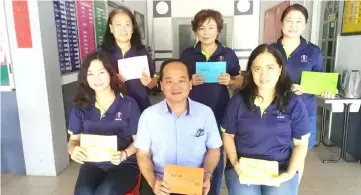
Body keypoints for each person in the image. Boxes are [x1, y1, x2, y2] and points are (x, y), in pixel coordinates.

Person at [222, 44, 310, 195]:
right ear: (250, 72)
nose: (264, 75)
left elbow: (300, 144)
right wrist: (235, 163)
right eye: (257, 69)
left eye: (270, 68)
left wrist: (288, 174)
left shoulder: (293, 102)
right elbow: (228, 135)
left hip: (280, 166)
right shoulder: (238, 100)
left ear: (280, 69)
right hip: (244, 164)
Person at [134, 59, 222, 195]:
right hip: (160, 183)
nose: (176, 87)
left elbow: (214, 149)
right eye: (169, 81)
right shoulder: (148, 115)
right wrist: (152, 182)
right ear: (161, 85)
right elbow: (142, 154)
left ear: (190, 84)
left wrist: (207, 174)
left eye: (182, 80)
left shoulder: (205, 113)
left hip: (195, 182)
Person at [179, 9, 243, 195]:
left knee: (216, 153)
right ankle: (189, 188)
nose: (206, 32)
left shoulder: (228, 54)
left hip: (220, 111)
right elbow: (178, 81)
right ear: (196, 31)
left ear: (218, 30)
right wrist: (190, 81)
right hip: (192, 112)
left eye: (211, 27)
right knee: (192, 151)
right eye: (201, 28)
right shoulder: (188, 54)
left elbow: (240, 81)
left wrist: (230, 81)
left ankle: (212, 190)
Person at [68, 51, 141, 195]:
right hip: (92, 164)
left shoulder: (128, 104)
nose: (97, 79)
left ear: (110, 72)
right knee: (83, 192)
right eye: (90, 74)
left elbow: (139, 141)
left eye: (101, 72)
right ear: (85, 77)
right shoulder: (81, 105)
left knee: (105, 192)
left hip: (124, 164)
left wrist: (125, 154)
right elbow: (73, 140)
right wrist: (73, 150)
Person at [271, 4, 334, 149]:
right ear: (281, 23)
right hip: (275, 108)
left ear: (305, 25)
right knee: (274, 151)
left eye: (299, 21)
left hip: (304, 110)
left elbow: (319, 81)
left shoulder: (313, 51)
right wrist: (286, 87)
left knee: (300, 152)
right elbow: (261, 79)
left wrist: (324, 91)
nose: (293, 25)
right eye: (289, 20)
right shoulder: (271, 50)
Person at [99, 6, 157, 112]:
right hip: (112, 108)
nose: (123, 29)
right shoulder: (101, 54)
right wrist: (111, 79)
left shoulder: (142, 51)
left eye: (127, 24)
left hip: (140, 106)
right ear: (111, 28)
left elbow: (154, 80)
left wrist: (149, 82)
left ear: (132, 28)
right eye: (118, 25)